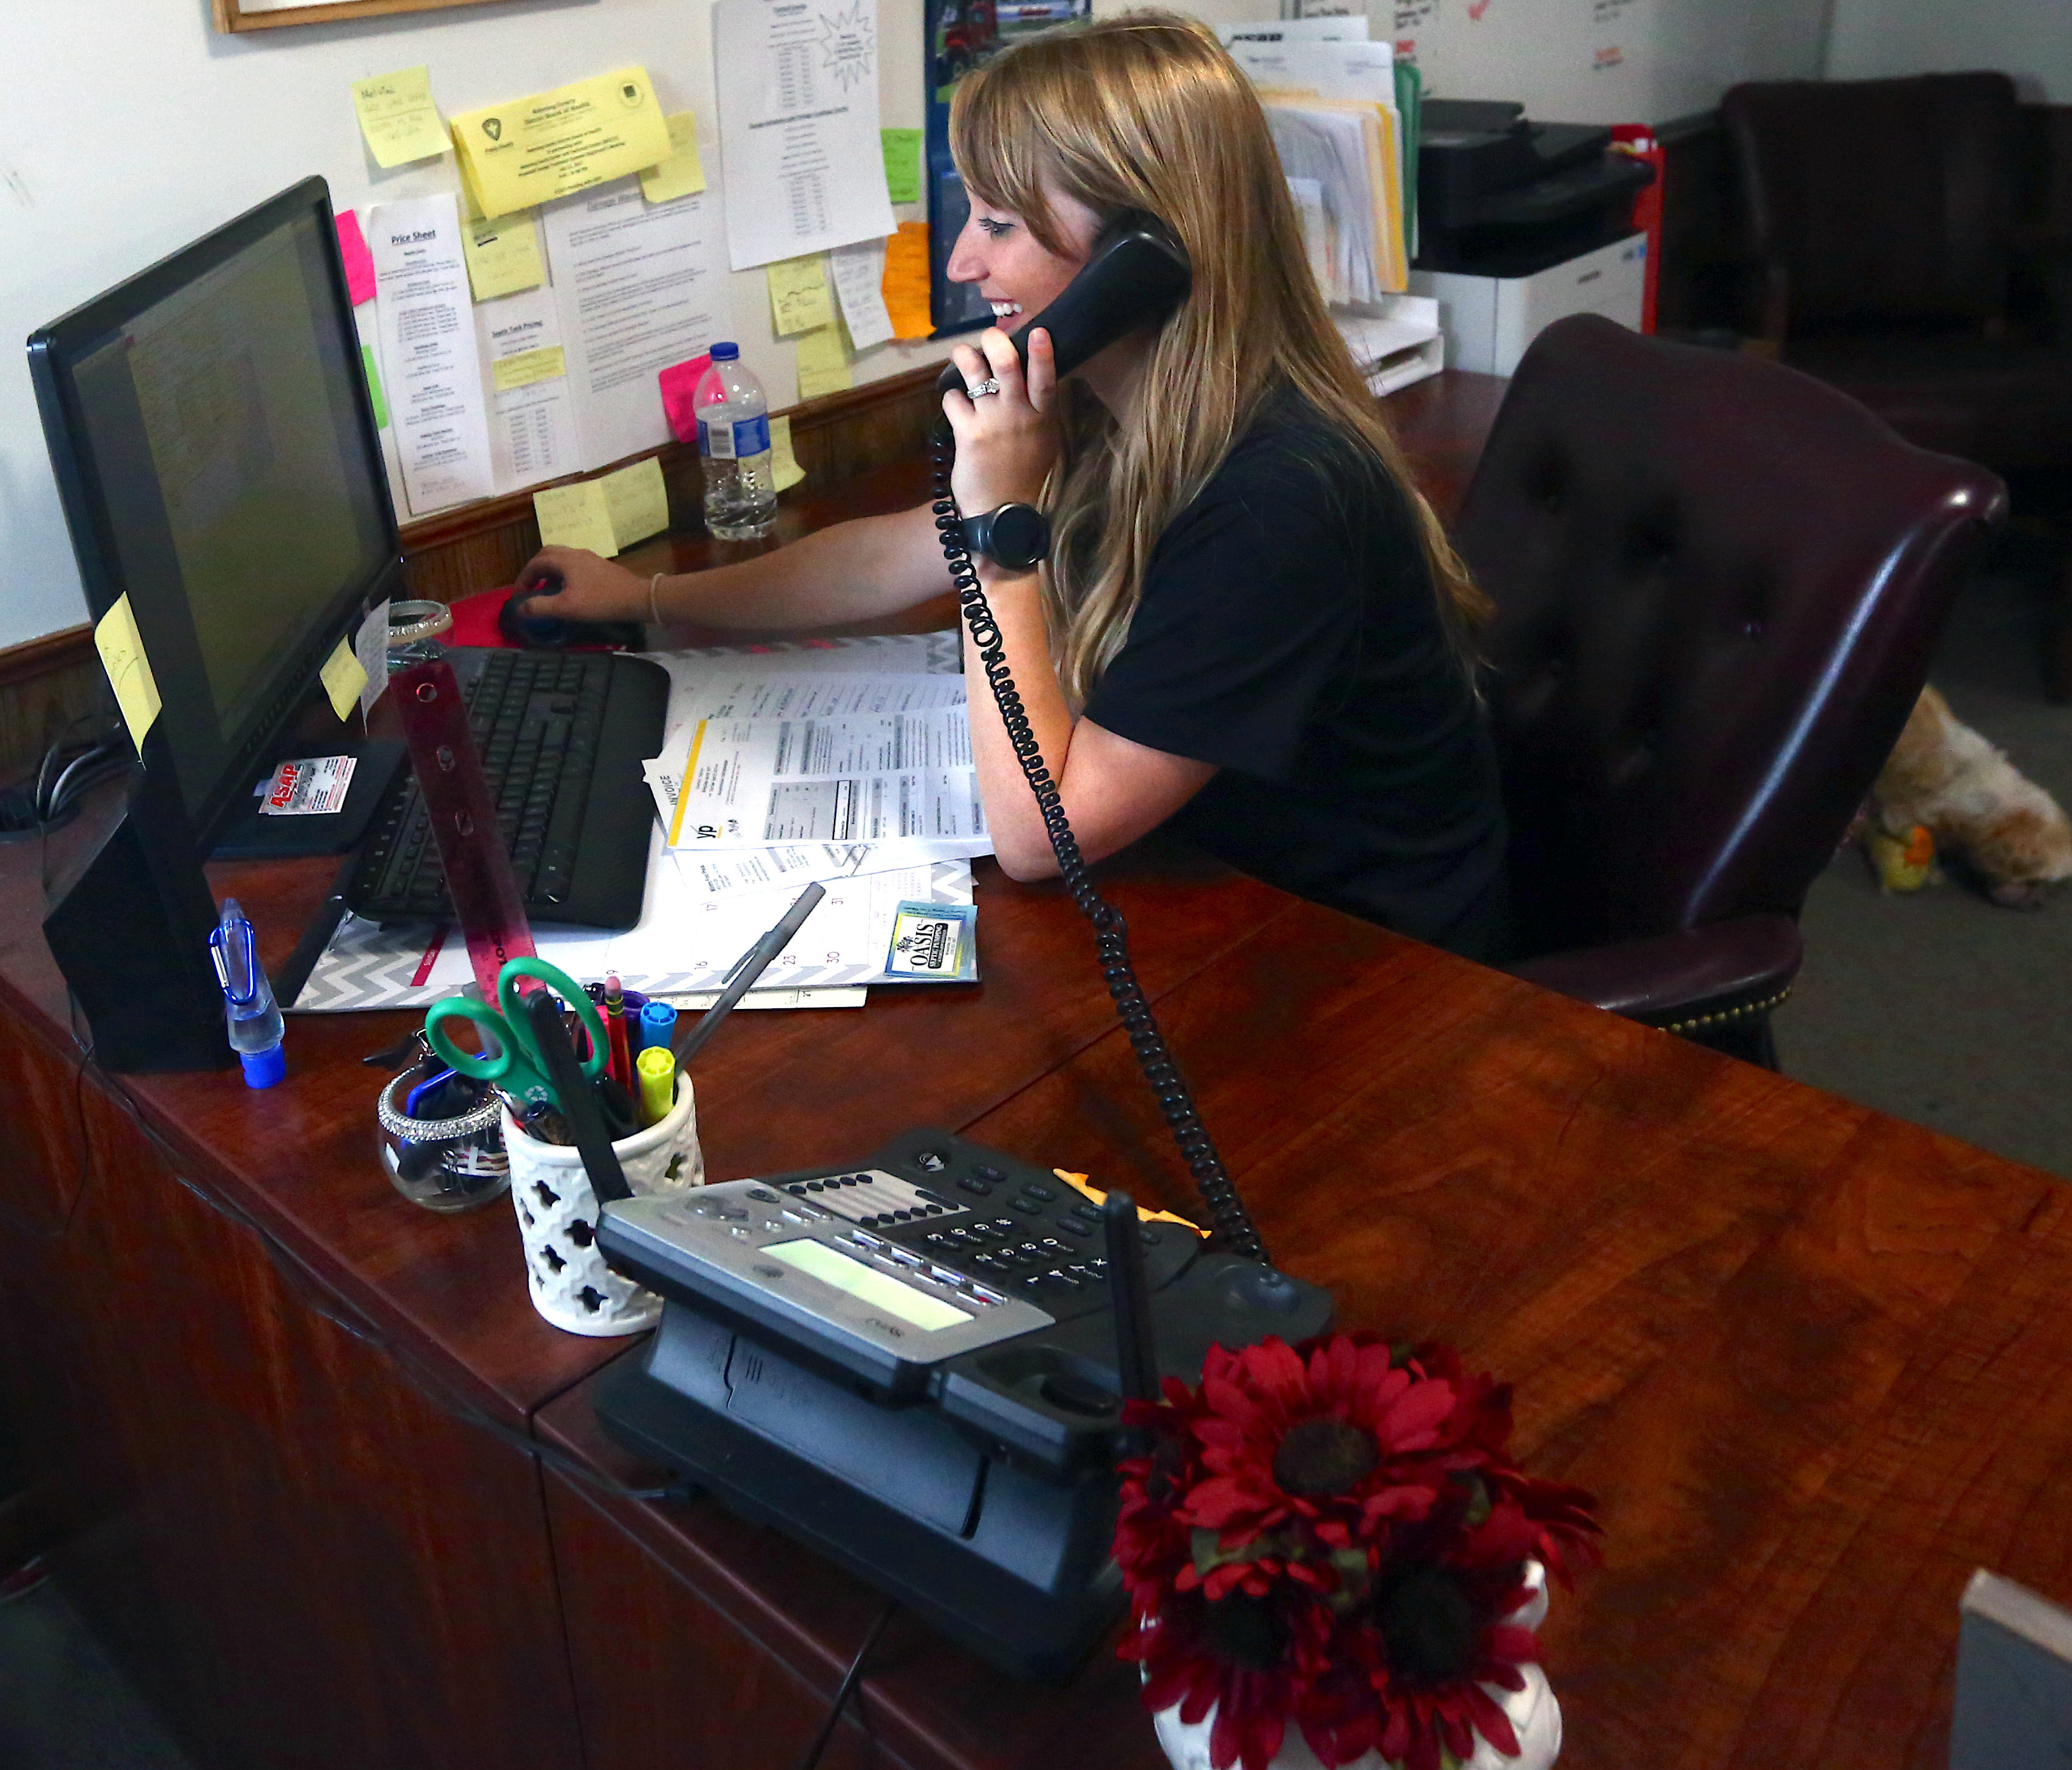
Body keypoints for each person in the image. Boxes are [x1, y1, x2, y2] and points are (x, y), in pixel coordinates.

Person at [514, 11, 1511, 960]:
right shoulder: (1099, 404)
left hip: (1358, 961)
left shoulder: (1279, 494)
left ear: (1149, 256)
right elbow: (887, 558)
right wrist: (649, 597)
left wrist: (1004, 526)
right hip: (1204, 870)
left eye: (999, 223)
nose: (962, 260)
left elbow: (1041, 837)